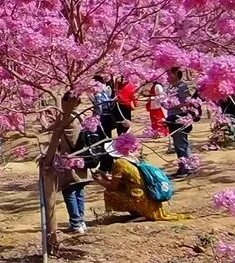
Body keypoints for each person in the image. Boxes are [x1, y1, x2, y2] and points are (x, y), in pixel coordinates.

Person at [93, 148, 188, 222]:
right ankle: (140, 212)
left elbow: (113, 186)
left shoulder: (119, 163)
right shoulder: (133, 159)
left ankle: (138, 213)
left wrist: (99, 180)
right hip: (148, 195)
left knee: (109, 193)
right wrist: (105, 177)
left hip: (139, 197)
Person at [57, 97, 92, 234]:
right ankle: (81, 221)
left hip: (69, 159)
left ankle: (76, 223)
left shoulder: (66, 118)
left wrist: (42, 118)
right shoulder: (82, 116)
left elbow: (51, 129)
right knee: (79, 189)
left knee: (69, 190)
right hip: (82, 158)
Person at [165, 67, 198, 177]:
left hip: (180, 117)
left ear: (175, 74)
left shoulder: (182, 86)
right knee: (179, 143)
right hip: (172, 117)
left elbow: (186, 103)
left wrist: (171, 105)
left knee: (181, 144)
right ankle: (185, 167)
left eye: (169, 74)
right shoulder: (172, 87)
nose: (167, 77)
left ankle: (186, 169)